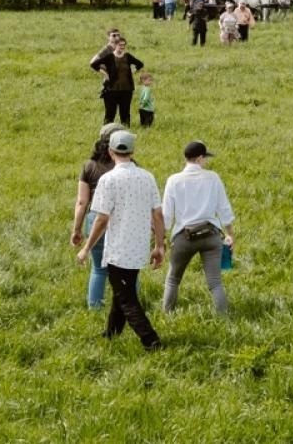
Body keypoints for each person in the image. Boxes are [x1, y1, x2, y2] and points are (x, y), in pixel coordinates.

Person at [77, 130, 164, 350]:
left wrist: (87, 248)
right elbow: (158, 215)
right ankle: (111, 333)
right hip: (139, 247)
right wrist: (159, 246)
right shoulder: (147, 177)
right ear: (133, 151)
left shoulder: (108, 180)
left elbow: (102, 219)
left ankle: (151, 341)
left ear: (110, 151)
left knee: (126, 299)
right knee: (121, 291)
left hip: (118, 250)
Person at [160, 140, 235, 314]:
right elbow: (224, 208)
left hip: (184, 237)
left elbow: (167, 215)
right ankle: (224, 318)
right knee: (215, 282)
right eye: (205, 158)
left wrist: (162, 238)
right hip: (211, 235)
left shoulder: (174, 180)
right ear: (200, 158)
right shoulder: (213, 177)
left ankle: (167, 315)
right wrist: (230, 233)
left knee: (172, 280)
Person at [70, 121, 125, 310]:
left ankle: (95, 308)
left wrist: (77, 229)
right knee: (127, 268)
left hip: (97, 217)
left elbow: (81, 202)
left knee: (99, 268)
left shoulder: (90, 166)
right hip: (124, 219)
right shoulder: (131, 166)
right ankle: (130, 305)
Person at [90, 36, 144, 126]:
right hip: (111, 90)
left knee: (125, 114)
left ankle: (125, 132)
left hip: (126, 90)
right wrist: (105, 74)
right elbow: (94, 64)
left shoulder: (128, 56)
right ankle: (106, 133)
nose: (122, 47)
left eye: (124, 45)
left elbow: (140, 64)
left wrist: (132, 71)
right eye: (120, 45)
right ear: (115, 45)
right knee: (110, 114)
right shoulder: (109, 57)